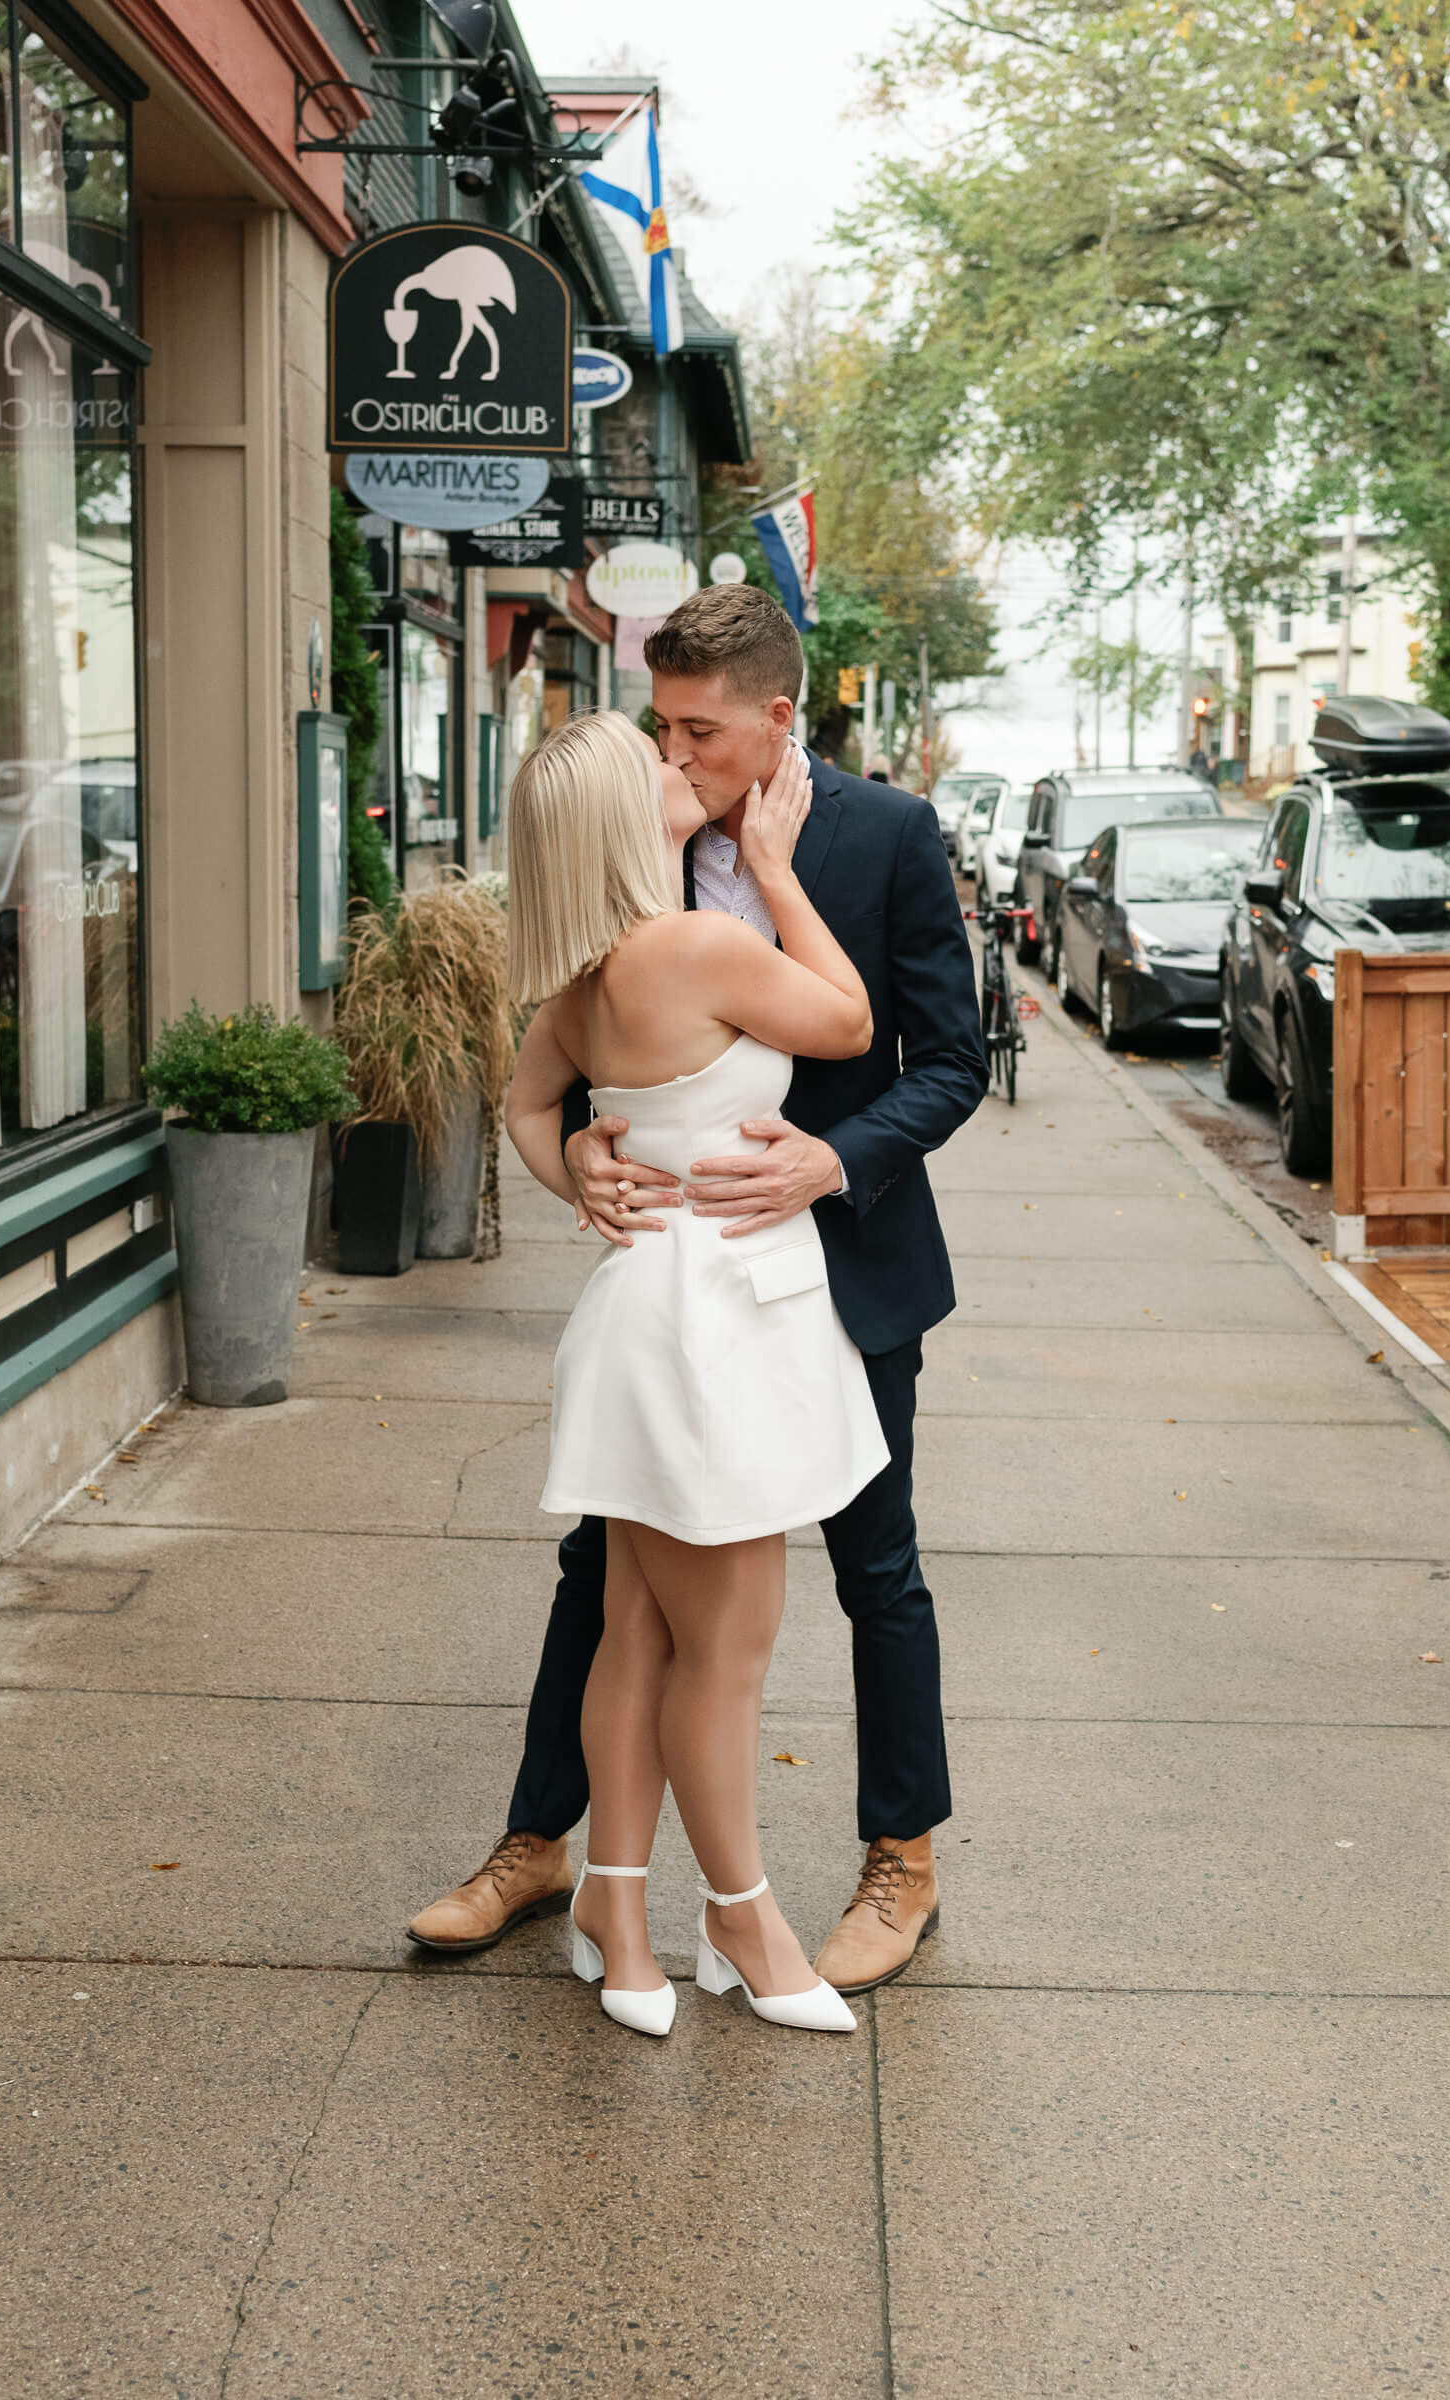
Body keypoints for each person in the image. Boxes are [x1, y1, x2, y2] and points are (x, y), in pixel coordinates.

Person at [408, 585, 987, 1995]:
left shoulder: (884, 836)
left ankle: (899, 1861)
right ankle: (539, 1845)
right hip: (676, 1289)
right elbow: (557, 1064)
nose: (674, 755)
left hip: (838, 1273)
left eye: (698, 730)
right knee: (599, 1583)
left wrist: (829, 1165)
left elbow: (945, 1061)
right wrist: (579, 1173)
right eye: (660, 728)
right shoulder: (639, 854)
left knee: (877, 1570)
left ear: (776, 718)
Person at [490, 710, 887, 2035]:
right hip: (708, 1327)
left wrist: (581, 1186)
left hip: (649, 1311)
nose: (680, 767)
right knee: (726, 1652)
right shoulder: (695, 945)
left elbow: (520, 1106)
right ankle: (745, 1923)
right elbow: (843, 1022)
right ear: (619, 819)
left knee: (637, 1631)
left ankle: (613, 1897)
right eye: (651, 763)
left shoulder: (585, 973)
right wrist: (778, 874)